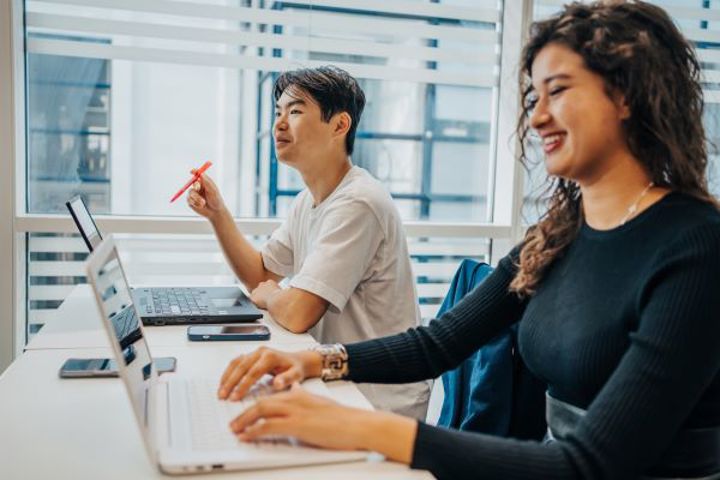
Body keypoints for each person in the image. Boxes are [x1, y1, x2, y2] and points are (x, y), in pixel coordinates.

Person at [214, 2, 720, 479]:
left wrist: (361, 425)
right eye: (534, 97)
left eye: (559, 91)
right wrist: (314, 360)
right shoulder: (559, 234)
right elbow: (438, 345)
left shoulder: (696, 247)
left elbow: (589, 465)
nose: (538, 117)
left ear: (627, 95)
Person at [188, 66, 430, 419]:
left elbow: (298, 313)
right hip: (335, 378)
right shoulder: (310, 199)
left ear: (339, 125)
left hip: (377, 399)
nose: (279, 124)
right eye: (278, 112)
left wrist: (272, 294)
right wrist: (218, 214)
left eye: (296, 111)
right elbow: (260, 274)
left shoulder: (358, 202)